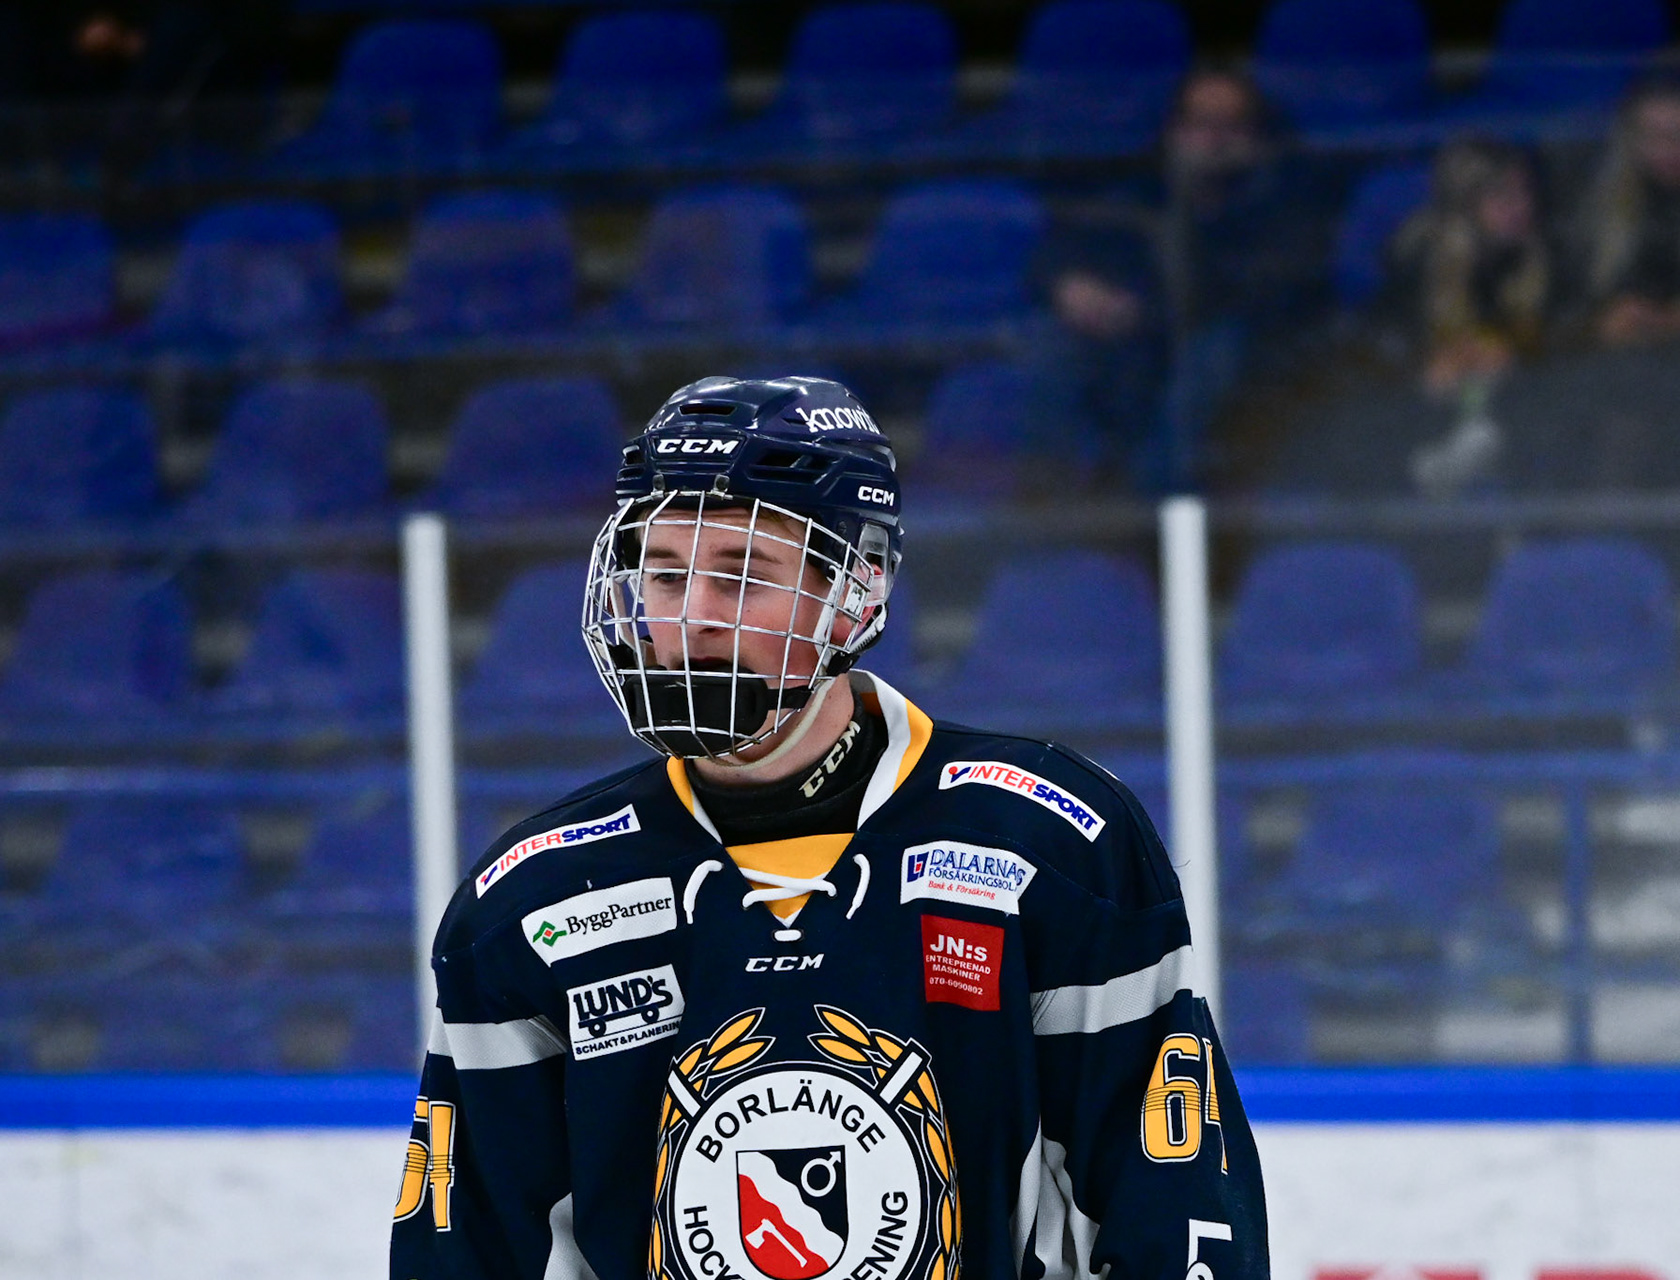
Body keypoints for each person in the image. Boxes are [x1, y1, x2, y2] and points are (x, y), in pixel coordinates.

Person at [389, 376, 1269, 1279]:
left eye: (742, 575)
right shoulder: (532, 899)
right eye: (665, 574)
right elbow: (464, 1253)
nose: (692, 619)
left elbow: (1174, 1212)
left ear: (857, 589)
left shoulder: (1046, 840)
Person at [1040, 67, 1332, 492]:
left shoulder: (1286, 201)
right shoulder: (1143, 193)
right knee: (1053, 348)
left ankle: (1160, 498)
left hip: (1245, 346)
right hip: (1139, 341)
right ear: (1173, 131)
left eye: (1231, 126)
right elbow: (1069, 246)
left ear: (1257, 136)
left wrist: (1145, 309)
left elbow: (1265, 291)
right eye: (1198, 124)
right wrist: (1069, 284)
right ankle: (1048, 501)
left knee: (1214, 355)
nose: (1212, 139)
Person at [1386, 138, 1554, 494]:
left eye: (1525, 192)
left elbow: (1564, 332)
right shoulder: (1419, 257)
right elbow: (1388, 339)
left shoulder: (1546, 255)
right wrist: (1433, 359)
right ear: (1464, 202)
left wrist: (1514, 347)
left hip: (1524, 400)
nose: (1521, 206)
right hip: (1428, 403)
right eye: (1502, 196)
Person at [1582, 76, 1680, 348]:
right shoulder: (1599, 209)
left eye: (1678, 134)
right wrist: (1599, 321)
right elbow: (1565, 306)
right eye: (1654, 135)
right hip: (1620, 361)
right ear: (1630, 137)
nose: (1669, 147)